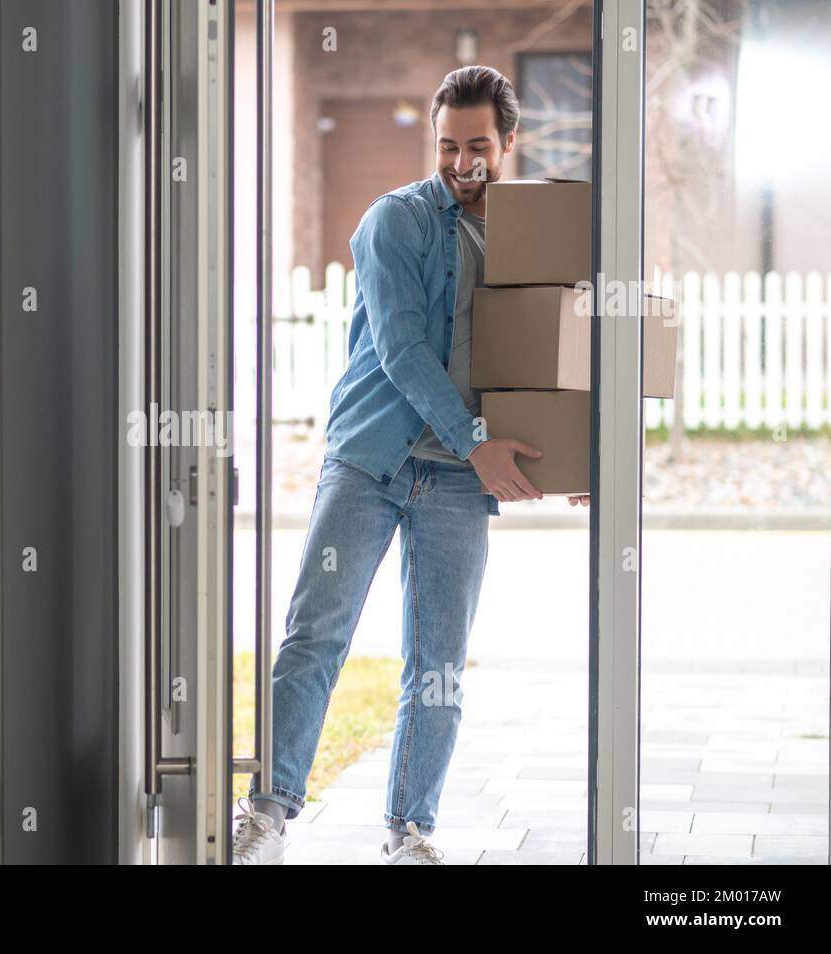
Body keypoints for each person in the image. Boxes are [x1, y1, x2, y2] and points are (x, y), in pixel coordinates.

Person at [232, 65, 589, 866]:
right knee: (315, 636)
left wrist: (572, 454)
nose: (463, 163)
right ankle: (267, 813)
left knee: (438, 664)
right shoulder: (394, 221)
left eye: (479, 147)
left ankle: (410, 832)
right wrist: (473, 441)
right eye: (448, 146)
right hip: (372, 460)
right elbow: (400, 348)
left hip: (460, 482)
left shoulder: (526, 233)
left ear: (509, 143)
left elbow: (552, 345)